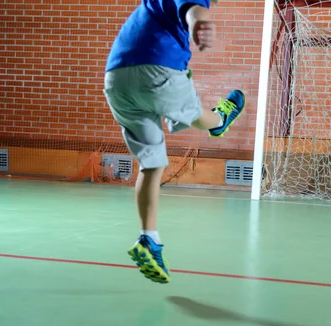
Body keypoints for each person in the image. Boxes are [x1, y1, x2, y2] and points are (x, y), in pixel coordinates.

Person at [103, 0, 245, 284]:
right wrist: (200, 25)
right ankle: (221, 121)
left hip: (116, 80)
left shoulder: (151, 6)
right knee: (195, 114)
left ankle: (149, 239)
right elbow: (194, 11)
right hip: (157, 70)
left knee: (152, 163)